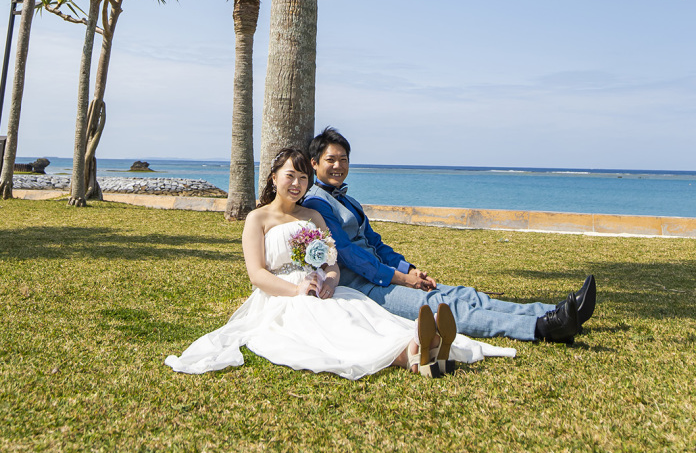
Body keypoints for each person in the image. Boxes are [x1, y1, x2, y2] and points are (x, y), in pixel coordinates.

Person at [165, 148, 513, 379]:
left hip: (323, 289)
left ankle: (427, 347)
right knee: (331, 332)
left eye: (303, 178)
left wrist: (330, 280)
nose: (297, 184)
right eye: (290, 176)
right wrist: (296, 291)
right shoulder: (257, 219)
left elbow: (330, 259)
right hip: (282, 295)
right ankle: (413, 353)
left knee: (363, 318)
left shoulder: (313, 215)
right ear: (273, 177)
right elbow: (256, 274)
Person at [302, 128, 598, 344]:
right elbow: (349, 254)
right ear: (315, 164)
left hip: (387, 274)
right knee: (443, 308)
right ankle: (541, 327)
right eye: (331, 159)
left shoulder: (349, 200)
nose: (338, 166)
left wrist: (409, 269)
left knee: (463, 294)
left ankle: (555, 311)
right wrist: (402, 279)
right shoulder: (317, 203)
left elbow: (376, 243)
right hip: (363, 286)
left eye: (344, 159)